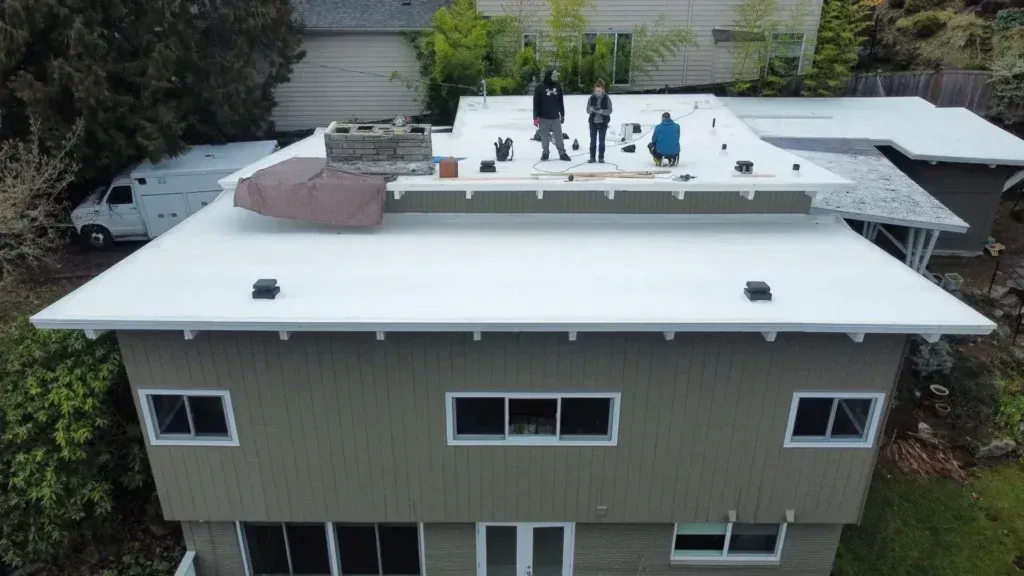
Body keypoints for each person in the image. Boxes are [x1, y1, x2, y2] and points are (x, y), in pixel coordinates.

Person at [533, 67, 571, 162]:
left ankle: (562, 153)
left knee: (559, 136)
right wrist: (535, 117)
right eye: (554, 75)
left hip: (555, 117)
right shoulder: (539, 87)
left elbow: (560, 101)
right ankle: (545, 153)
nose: (556, 77)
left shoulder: (558, 86)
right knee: (544, 137)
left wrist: (562, 114)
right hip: (543, 117)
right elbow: (536, 103)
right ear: (549, 76)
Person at [585, 79, 613, 163]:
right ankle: (592, 157)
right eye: (596, 91)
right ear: (594, 89)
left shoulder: (606, 98)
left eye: (599, 91)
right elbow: (587, 110)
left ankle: (601, 157)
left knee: (601, 141)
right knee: (592, 141)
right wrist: (590, 109)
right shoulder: (591, 98)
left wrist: (602, 111)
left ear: (603, 90)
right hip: (593, 122)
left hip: (603, 122)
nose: (597, 93)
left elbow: (610, 110)